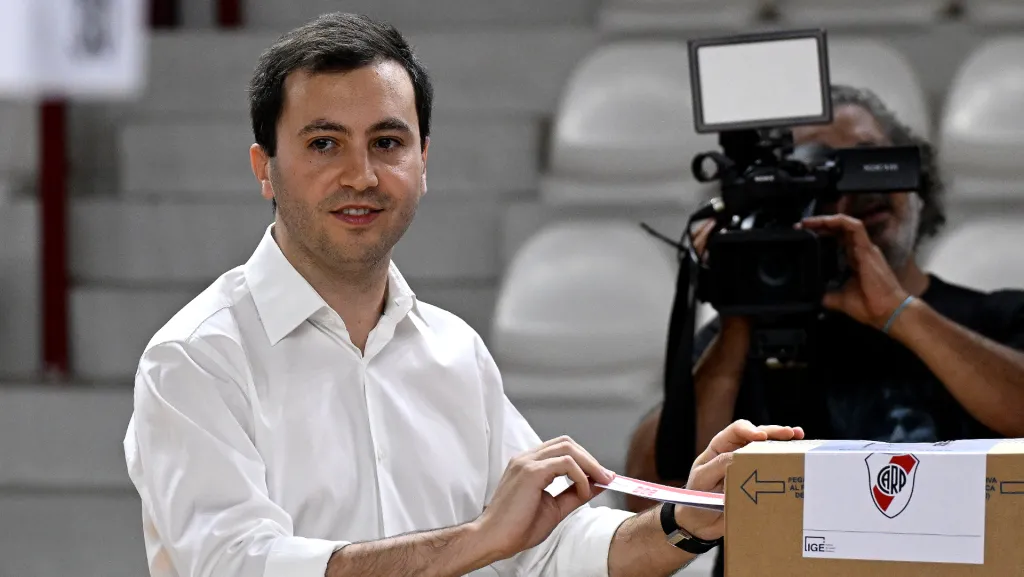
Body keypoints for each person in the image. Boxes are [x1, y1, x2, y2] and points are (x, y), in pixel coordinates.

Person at [121, 12, 804, 577]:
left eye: (387, 141)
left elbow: (548, 548)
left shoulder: (456, 351)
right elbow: (240, 565)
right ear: (263, 169)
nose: (360, 174)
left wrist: (684, 519)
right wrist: (478, 539)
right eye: (324, 143)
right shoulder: (196, 357)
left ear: (424, 162)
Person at [623, 85, 1024, 576]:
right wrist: (739, 315)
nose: (863, 190)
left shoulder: (998, 318)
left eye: (870, 161)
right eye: (824, 171)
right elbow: (650, 493)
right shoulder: (744, 339)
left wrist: (898, 312)